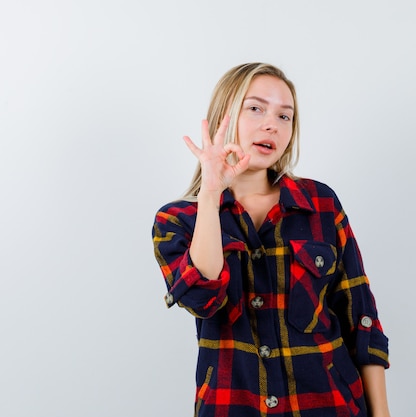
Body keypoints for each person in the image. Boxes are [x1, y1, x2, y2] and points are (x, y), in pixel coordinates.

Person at [151, 63, 391, 417]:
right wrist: (211, 192)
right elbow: (203, 298)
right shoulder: (177, 220)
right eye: (256, 108)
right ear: (224, 116)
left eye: (285, 116)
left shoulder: (320, 203)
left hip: (331, 406)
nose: (271, 125)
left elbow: (361, 317)